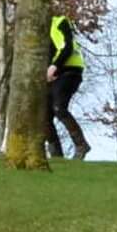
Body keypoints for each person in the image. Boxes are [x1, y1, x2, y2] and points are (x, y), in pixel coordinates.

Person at [46, 12, 90, 159]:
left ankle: (81, 145)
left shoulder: (59, 22)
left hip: (70, 71)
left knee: (59, 107)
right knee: (44, 115)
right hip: (52, 75)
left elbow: (67, 47)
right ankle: (56, 155)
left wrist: (54, 66)